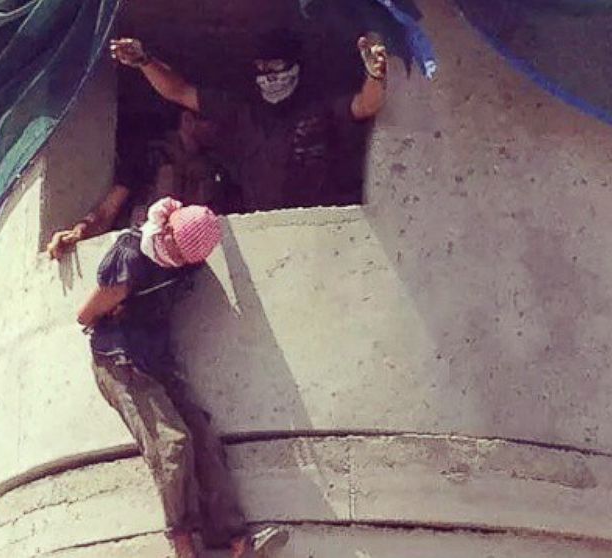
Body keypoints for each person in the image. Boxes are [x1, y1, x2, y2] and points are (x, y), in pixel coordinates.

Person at [77, 198, 285, 558]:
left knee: (202, 436)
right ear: (167, 229)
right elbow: (85, 315)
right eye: (175, 247)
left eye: (186, 257)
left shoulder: (185, 263)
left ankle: (235, 541)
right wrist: (116, 309)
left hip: (157, 359)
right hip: (120, 358)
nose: (178, 259)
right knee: (173, 443)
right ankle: (183, 541)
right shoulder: (130, 256)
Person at [109, 28, 388, 211]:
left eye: (276, 66)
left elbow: (366, 105)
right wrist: (145, 62)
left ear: (296, 67)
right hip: (260, 233)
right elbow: (178, 91)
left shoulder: (320, 110)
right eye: (261, 68)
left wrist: (375, 75)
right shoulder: (241, 113)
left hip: (321, 234)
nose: (268, 75)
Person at [46, 107, 234, 259]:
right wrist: (78, 232)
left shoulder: (215, 170)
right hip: (136, 258)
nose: (220, 130)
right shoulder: (148, 158)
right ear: (187, 120)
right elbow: (107, 211)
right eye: (214, 122)